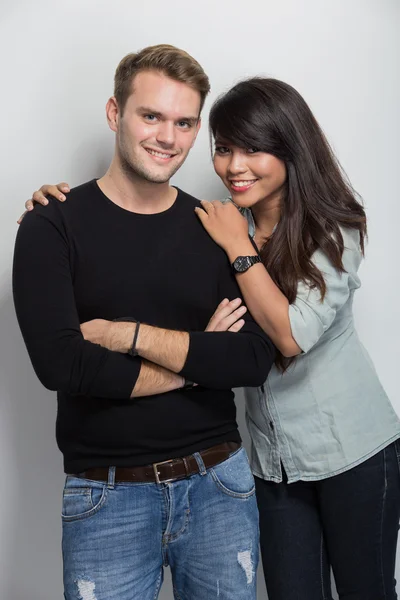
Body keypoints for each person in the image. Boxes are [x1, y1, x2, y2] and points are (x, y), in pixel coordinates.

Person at [27, 76, 400, 600]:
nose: (234, 165)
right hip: (271, 463)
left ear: (291, 149)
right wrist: (54, 203)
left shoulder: (331, 228)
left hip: (352, 449)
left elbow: (286, 340)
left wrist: (236, 251)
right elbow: (77, 354)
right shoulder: (218, 221)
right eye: (224, 149)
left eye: (254, 149)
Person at [13, 45, 276, 600]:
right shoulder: (50, 226)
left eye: (183, 123)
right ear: (115, 113)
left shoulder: (217, 226)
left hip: (219, 487)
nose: (167, 137)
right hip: (107, 497)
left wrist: (128, 337)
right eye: (151, 116)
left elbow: (251, 359)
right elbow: (64, 364)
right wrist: (198, 359)